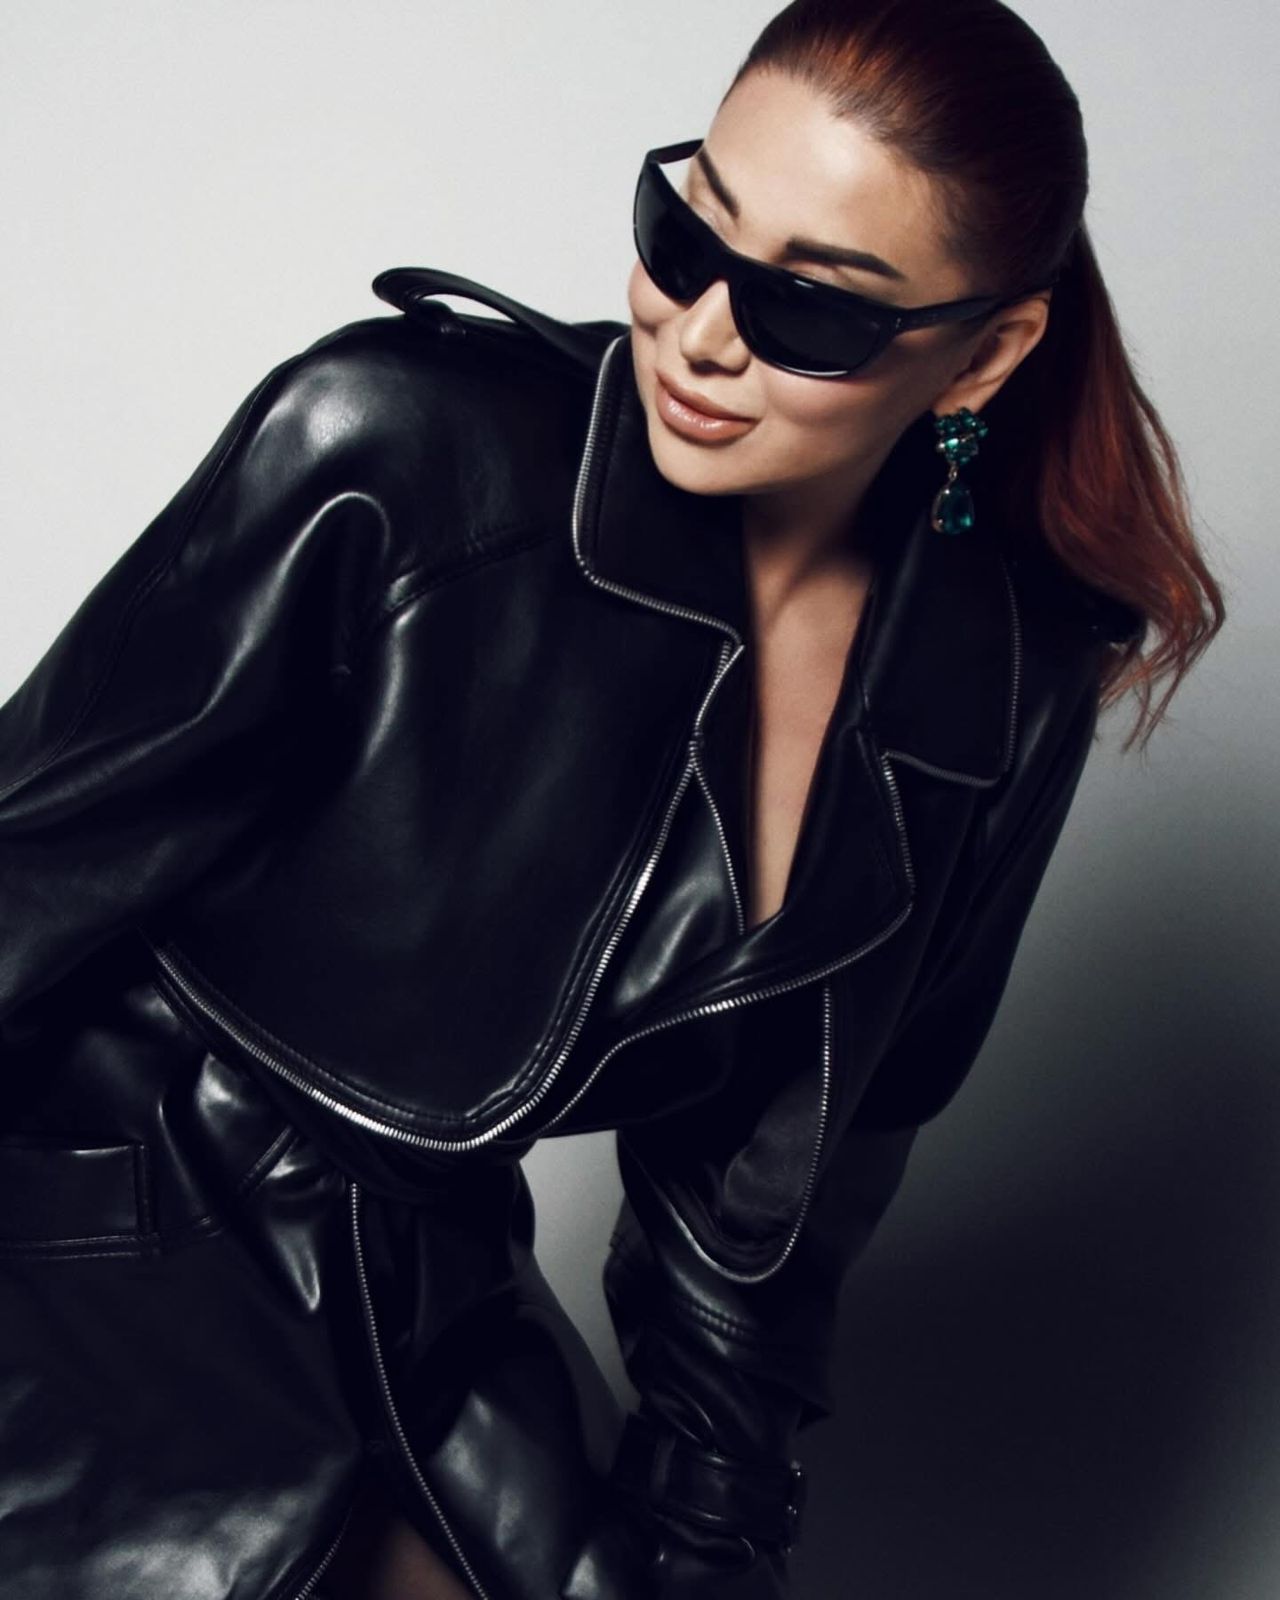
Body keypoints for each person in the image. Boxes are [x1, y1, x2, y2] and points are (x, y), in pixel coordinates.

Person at [0, 1, 1223, 1597]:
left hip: (426, 1299)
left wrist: (710, 1536)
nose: (700, 332)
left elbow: (777, 1213)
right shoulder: (403, 445)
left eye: (810, 307)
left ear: (983, 354)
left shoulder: (995, 694)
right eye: (685, 233)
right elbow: (26, 871)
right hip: (97, 1211)